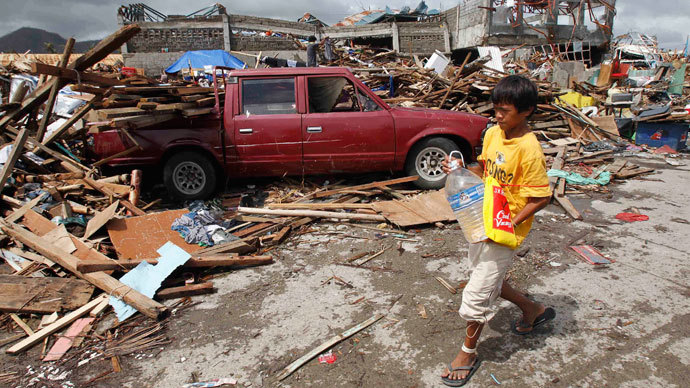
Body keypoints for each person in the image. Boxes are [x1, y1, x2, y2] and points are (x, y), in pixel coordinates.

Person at [439, 75, 555, 387]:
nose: (498, 115)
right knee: (485, 277)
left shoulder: (529, 150)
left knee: (477, 294)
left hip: (505, 230)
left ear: (527, 110)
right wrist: (459, 169)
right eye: (496, 109)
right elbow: (484, 170)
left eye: (505, 110)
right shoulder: (493, 133)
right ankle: (534, 309)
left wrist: (509, 223)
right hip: (483, 219)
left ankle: (467, 354)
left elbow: (542, 196)